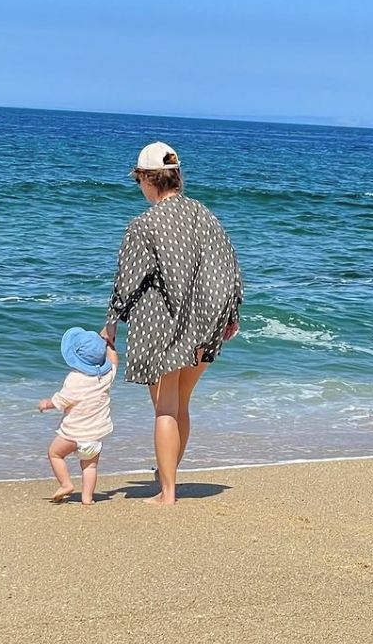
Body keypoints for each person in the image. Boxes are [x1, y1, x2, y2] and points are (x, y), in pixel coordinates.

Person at [100, 141, 243, 506]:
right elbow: (229, 266)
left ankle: (167, 493)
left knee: (165, 408)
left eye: (139, 182)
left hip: (162, 328)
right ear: (175, 177)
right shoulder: (205, 215)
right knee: (180, 405)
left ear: (148, 180)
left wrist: (111, 322)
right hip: (203, 326)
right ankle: (169, 478)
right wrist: (231, 313)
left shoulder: (144, 225)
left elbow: (128, 280)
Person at [38, 327, 118, 505]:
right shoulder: (106, 377)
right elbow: (114, 362)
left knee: (54, 454)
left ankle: (66, 484)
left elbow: (62, 400)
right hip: (95, 437)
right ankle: (87, 498)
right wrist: (110, 345)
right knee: (90, 466)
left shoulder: (74, 379)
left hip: (73, 434)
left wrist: (47, 404)